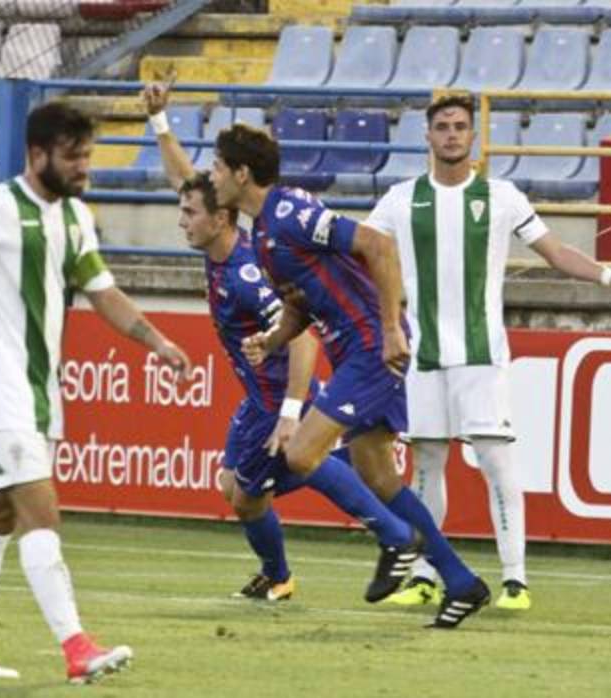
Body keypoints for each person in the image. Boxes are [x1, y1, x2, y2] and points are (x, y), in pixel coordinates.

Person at [0, 101, 191, 684]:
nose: (84, 166)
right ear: (37, 155)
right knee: (42, 513)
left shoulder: (77, 217)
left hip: (35, 392)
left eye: (87, 155)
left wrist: (156, 341)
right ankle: (76, 646)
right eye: (72, 156)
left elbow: (102, 291)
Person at [141, 83, 421, 604]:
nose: (183, 219)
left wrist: (292, 411)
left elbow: (304, 341)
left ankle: (385, 538)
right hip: (258, 400)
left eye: (189, 214)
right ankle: (297, 559)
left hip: (276, 402)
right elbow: (187, 180)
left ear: (221, 214)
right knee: (236, 485)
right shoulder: (218, 234)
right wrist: (159, 121)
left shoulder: (247, 273)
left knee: (259, 490)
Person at [366, 94, 611, 611]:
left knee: (496, 461)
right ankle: (428, 572)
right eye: (443, 127)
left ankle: (515, 579)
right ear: (427, 137)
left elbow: (556, 250)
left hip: (481, 353)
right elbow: (363, 248)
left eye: (460, 127)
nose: (451, 134)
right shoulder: (400, 199)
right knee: (427, 465)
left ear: (473, 136)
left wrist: (609, 276)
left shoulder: (502, 197)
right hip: (423, 355)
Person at [216, 122, 490, 629]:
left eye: (216, 168)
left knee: (301, 451)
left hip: (371, 345)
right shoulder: (262, 234)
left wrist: (390, 328)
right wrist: (273, 339)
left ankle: (396, 539)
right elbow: (301, 303)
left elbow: (378, 245)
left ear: (241, 173)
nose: (211, 178)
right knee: (380, 476)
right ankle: (461, 582)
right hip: (353, 351)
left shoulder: (290, 214)